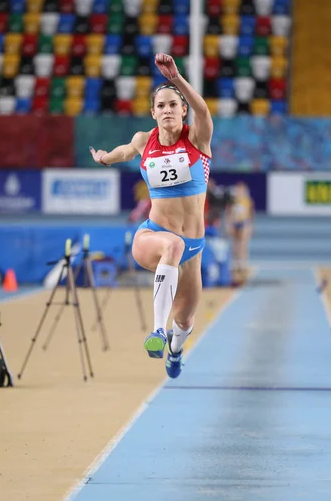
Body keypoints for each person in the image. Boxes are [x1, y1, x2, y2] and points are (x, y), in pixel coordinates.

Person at [90, 53, 213, 379]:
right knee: (171, 245)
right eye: (161, 106)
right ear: (153, 113)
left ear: (183, 109)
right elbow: (125, 151)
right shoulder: (145, 141)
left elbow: (203, 110)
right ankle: (157, 332)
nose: (168, 110)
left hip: (194, 248)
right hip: (153, 235)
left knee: (185, 320)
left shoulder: (197, 138)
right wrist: (107, 159)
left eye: (174, 104)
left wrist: (176, 79)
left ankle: (174, 348)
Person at [226, 181, 254, 285]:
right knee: (235, 246)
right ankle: (236, 266)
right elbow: (229, 213)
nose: (240, 191)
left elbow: (250, 214)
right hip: (235, 223)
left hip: (244, 223)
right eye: (238, 189)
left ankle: (243, 265)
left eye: (242, 190)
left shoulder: (247, 200)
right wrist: (229, 225)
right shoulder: (233, 200)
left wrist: (250, 226)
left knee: (243, 246)